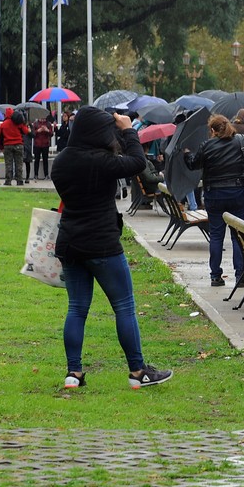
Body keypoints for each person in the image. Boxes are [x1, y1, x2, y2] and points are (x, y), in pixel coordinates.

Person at [52, 106, 172, 390]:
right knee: (124, 306)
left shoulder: (62, 161)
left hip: (70, 242)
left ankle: (74, 373)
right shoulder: (103, 161)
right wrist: (128, 129)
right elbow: (137, 163)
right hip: (102, 243)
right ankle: (138, 371)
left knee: (77, 308)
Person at [183, 114, 244, 288]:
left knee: (216, 235)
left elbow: (194, 164)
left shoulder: (207, 146)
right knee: (238, 236)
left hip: (215, 194)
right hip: (238, 193)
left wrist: (187, 154)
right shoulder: (241, 141)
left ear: (212, 130)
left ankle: (215, 276)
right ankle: (240, 275)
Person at [0, 109, 29, 186]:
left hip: (7, 145)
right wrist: (25, 123)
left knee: (8, 164)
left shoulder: (3, 125)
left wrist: (1, 147)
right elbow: (25, 131)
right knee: (19, 164)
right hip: (19, 144)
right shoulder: (18, 122)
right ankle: (19, 180)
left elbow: (0, 137)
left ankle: (8, 181)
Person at [32, 113, 55, 180]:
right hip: (37, 144)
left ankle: (46, 175)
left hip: (45, 144)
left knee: (45, 160)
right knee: (36, 160)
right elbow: (32, 134)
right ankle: (35, 175)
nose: (42, 119)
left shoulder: (48, 124)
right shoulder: (35, 124)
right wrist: (38, 131)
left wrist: (47, 130)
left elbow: (51, 134)